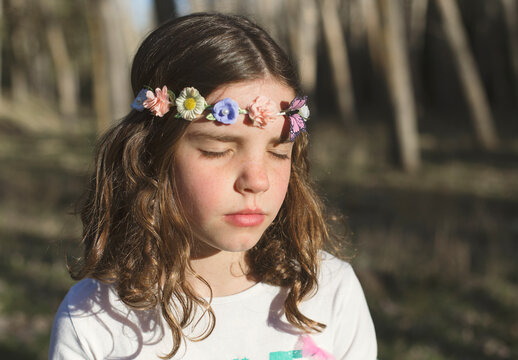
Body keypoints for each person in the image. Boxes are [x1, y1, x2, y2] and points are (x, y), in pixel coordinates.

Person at [49, 13, 377, 360]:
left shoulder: (329, 292)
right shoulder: (95, 320)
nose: (257, 180)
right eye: (217, 150)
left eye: (278, 152)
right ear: (150, 155)